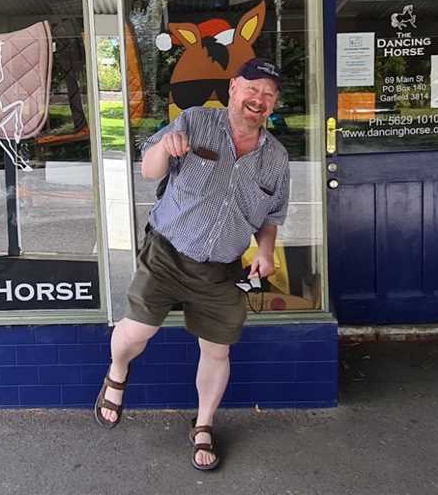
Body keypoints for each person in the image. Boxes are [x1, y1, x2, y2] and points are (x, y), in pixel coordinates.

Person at [93, 57, 290, 471]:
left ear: (273, 105)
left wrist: (267, 253)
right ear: (234, 87)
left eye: (268, 95)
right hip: (167, 253)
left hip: (221, 269)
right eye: (252, 89)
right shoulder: (196, 121)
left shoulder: (276, 158)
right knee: (136, 332)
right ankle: (117, 369)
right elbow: (149, 171)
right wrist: (165, 147)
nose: (259, 99)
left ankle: (202, 425)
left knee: (216, 350)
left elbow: (271, 217)